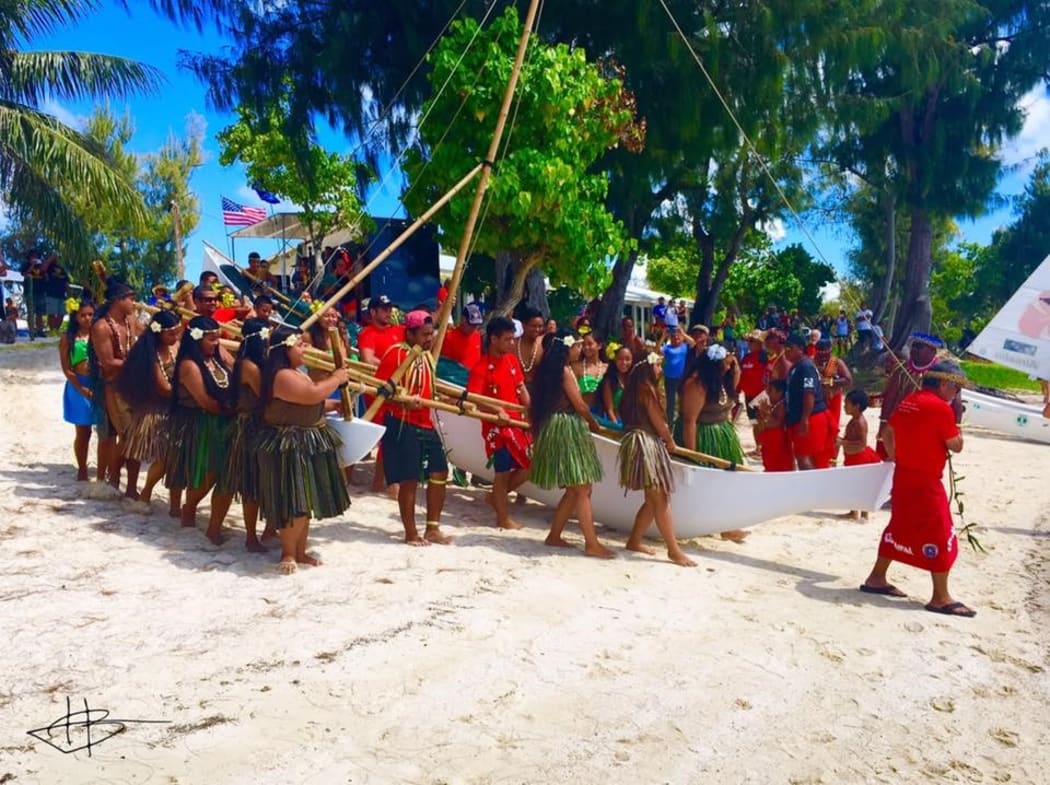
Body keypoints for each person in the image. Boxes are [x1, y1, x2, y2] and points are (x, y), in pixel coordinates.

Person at [860, 361, 974, 617]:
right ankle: (940, 597)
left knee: (899, 524)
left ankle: (876, 577)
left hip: (904, 475)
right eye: (956, 389)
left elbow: (889, 430)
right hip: (925, 480)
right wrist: (956, 418)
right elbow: (956, 445)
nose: (957, 394)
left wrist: (896, 456)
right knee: (939, 529)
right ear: (944, 384)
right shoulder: (940, 409)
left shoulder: (910, 400)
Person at [256, 326, 351, 573]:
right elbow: (310, 395)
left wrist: (333, 406)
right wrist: (336, 379)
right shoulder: (282, 375)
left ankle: (300, 551)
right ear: (285, 349)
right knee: (293, 499)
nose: (306, 348)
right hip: (290, 443)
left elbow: (311, 400)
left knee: (305, 500)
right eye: (300, 344)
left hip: (308, 440)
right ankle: (288, 553)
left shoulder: (297, 373)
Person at [529, 329, 614, 558]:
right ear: (566, 348)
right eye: (577, 345)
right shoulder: (564, 371)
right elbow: (580, 406)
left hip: (560, 426)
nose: (580, 349)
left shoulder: (553, 370)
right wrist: (593, 423)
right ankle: (592, 543)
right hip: (565, 427)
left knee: (575, 488)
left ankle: (554, 535)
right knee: (583, 487)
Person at [375, 310, 455, 546]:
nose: (429, 339)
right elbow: (382, 394)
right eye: (424, 334)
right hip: (402, 423)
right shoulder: (395, 355)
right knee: (409, 479)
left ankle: (432, 528)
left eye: (431, 334)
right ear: (409, 333)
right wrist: (404, 400)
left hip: (425, 422)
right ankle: (411, 533)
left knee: (440, 471)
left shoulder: (428, 357)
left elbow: (429, 388)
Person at [617, 353, 696, 567]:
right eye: (658, 365)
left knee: (655, 497)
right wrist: (670, 441)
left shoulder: (632, 389)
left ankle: (634, 541)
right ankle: (674, 550)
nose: (661, 370)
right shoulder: (645, 389)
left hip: (639, 441)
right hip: (645, 442)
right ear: (648, 367)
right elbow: (658, 422)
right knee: (659, 497)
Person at [165, 316, 235, 544]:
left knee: (228, 477)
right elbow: (205, 402)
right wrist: (234, 410)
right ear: (196, 339)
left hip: (223, 422)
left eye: (218, 338)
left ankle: (214, 528)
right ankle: (189, 507)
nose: (216, 343)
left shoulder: (217, 359)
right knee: (208, 474)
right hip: (203, 424)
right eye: (211, 339)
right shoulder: (188, 365)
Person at [467, 316, 533, 530]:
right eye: (507, 339)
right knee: (502, 472)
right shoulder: (481, 367)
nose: (512, 343)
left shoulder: (512, 361)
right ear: (493, 339)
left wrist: (531, 407)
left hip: (517, 424)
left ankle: (496, 496)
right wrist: (498, 411)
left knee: (527, 468)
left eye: (512, 339)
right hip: (496, 427)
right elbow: (475, 398)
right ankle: (502, 518)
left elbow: (521, 389)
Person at [680, 344, 749, 542]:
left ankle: (727, 524)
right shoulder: (697, 384)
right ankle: (721, 526)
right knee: (710, 483)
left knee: (727, 481)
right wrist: (692, 455)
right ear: (714, 365)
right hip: (703, 436)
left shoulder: (724, 379)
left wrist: (734, 367)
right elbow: (689, 421)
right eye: (725, 361)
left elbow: (736, 375)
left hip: (721, 435)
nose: (729, 364)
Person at [116, 310, 182, 514]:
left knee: (177, 459)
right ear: (158, 333)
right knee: (166, 457)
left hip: (177, 408)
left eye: (177, 333)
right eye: (171, 334)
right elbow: (163, 388)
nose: (175, 338)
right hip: (157, 411)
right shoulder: (148, 354)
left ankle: (174, 506)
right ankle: (143, 492)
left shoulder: (176, 347)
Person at [223, 319, 274, 552]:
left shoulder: (252, 363)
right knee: (252, 484)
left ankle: (270, 528)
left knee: (266, 482)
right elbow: (266, 396)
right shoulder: (248, 367)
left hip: (259, 423)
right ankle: (251, 537)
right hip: (250, 426)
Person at [89, 279, 143, 497]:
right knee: (127, 437)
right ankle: (113, 479)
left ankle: (130, 487)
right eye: (131, 299)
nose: (134, 303)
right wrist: (140, 363)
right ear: (118, 300)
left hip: (134, 386)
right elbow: (109, 362)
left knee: (136, 438)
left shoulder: (131, 320)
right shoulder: (101, 326)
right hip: (113, 387)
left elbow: (148, 335)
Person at [877, 332, 960, 457]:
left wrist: (956, 429)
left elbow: (956, 403)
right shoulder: (901, 369)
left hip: (929, 425)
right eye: (913, 346)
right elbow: (890, 397)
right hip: (901, 421)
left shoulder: (942, 373)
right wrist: (883, 422)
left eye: (919, 347)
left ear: (932, 351)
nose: (913, 350)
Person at [358, 295, 406, 492]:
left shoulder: (398, 330)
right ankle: (384, 482)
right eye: (384, 309)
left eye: (389, 308)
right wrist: (395, 367)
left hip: (398, 386)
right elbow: (367, 359)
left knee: (393, 433)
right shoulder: (368, 333)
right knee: (388, 433)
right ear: (373, 312)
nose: (388, 312)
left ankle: (381, 481)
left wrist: (444, 307)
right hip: (380, 389)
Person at [60, 299, 97, 481]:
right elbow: (67, 369)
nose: (87, 318)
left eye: (90, 314)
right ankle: (82, 467)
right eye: (82, 315)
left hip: (98, 385)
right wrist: (82, 389)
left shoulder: (99, 335)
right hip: (78, 385)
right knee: (83, 431)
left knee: (104, 431)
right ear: (75, 316)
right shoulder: (68, 338)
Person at [783, 333, 832, 470]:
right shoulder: (796, 366)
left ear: (800, 349)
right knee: (802, 456)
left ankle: (812, 488)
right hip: (799, 417)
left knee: (805, 457)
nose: (786, 351)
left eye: (789, 348)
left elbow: (809, 393)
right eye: (785, 348)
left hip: (810, 416)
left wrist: (805, 419)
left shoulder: (806, 367)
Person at [839, 389, 880, 520]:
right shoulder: (854, 420)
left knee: (859, 486)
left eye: (847, 404)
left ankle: (863, 512)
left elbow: (862, 443)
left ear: (856, 406)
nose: (844, 406)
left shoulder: (860, 423)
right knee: (854, 485)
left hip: (859, 457)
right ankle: (855, 510)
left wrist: (843, 442)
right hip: (852, 456)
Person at [815, 338, 853, 466]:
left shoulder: (835, 362)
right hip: (818, 399)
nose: (822, 355)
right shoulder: (812, 361)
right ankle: (819, 456)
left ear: (830, 350)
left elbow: (848, 380)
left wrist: (829, 382)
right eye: (819, 352)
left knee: (833, 430)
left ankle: (832, 459)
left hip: (833, 399)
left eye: (825, 352)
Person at [755, 379, 793, 472]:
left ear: (780, 392)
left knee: (777, 467)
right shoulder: (775, 405)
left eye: (770, 391)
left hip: (777, 444)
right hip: (771, 445)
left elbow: (777, 422)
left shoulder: (781, 405)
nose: (767, 394)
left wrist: (763, 417)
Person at [596, 342, 632, 428]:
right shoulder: (609, 380)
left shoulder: (632, 379)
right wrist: (617, 428)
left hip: (627, 422)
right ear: (615, 360)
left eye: (627, 359)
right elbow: (609, 410)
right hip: (611, 422)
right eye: (620, 359)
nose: (624, 363)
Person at [441, 302, 484, 371]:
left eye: (476, 325)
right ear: (463, 320)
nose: (474, 328)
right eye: (472, 325)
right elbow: (445, 363)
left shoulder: (477, 336)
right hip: (457, 378)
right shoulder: (449, 337)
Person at [571, 329, 607, 410]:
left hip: (603, 414)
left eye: (590, 344)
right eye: (583, 344)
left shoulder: (607, 368)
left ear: (599, 345)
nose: (586, 347)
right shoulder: (576, 367)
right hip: (581, 413)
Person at [660, 327, 689, 425]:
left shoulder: (685, 347)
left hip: (681, 378)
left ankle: (681, 422)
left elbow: (693, 343)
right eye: (673, 336)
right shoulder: (667, 348)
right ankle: (670, 423)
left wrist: (683, 333)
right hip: (669, 378)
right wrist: (664, 336)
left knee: (683, 400)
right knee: (670, 402)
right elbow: (656, 350)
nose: (676, 338)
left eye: (678, 336)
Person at [516, 306, 547, 387]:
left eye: (540, 326)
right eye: (533, 326)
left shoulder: (543, 345)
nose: (537, 329)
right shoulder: (512, 345)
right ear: (523, 325)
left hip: (538, 392)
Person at [43, 254, 70, 332]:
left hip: (62, 294)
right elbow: (42, 269)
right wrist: (50, 259)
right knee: (51, 313)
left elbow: (66, 282)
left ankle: (56, 330)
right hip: (51, 293)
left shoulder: (61, 269)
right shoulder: (48, 267)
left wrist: (69, 295)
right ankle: (52, 330)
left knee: (61, 313)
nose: (56, 258)